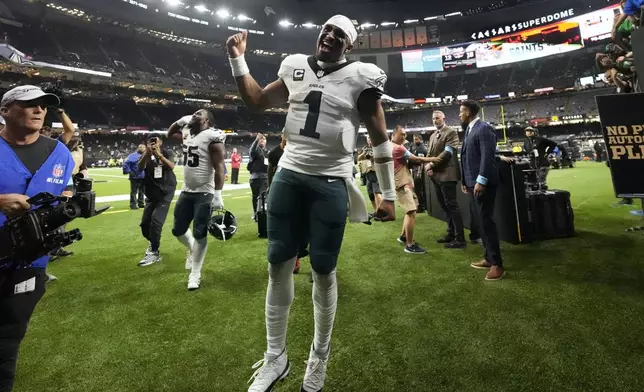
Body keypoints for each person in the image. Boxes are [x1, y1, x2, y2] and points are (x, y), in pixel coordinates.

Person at [226, 15, 396, 392]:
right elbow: (256, 101)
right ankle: (276, 358)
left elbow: (380, 139)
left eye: (340, 35)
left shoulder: (362, 77)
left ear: (349, 45)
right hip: (288, 175)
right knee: (277, 263)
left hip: (331, 181)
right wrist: (238, 59)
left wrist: (388, 194)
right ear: (319, 33)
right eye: (327, 30)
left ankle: (318, 357)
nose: (331, 37)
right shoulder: (295, 66)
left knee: (323, 269)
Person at [0, 85, 75, 392]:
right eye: (29, 104)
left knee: (9, 337)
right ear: (5, 111)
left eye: (43, 105)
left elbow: (64, 190)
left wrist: (68, 202)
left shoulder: (59, 152)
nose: (38, 109)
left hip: (31, 259)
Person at [167, 109, 226, 290]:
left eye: (199, 113)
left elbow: (219, 167)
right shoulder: (187, 132)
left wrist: (217, 194)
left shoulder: (212, 136)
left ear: (207, 120)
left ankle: (196, 272)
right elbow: (169, 134)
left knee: (200, 232)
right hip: (187, 190)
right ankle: (192, 248)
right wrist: (179, 120)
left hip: (205, 192)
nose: (194, 114)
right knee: (178, 230)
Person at [459, 100, 505, 281]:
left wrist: (481, 180)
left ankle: (497, 264)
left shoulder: (483, 128)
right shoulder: (470, 129)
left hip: (481, 183)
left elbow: (487, 156)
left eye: (461, 111)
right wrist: (465, 181)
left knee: (486, 222)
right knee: (480, 222)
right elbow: (466, 158)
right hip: (472, 183)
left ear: (469, 112)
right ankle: (488, 257)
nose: (460, 115)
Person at [391, 126, 437, 255]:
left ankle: (403, 236)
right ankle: (409, 245)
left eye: (405, 135)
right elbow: (417, 159)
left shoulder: (390, 146)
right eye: (402, 134)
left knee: (413, 209)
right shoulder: (398, 148)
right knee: (411, 211)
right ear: (394, 134)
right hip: (402, 183)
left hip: (402, 181)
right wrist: (435, 159)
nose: (404, 137)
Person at [426, 110, 466, 249]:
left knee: (452, 206)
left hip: (448, 175)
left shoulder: (451, 132)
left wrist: (432, 164)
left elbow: (448, 152)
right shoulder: (432, 136)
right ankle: (451, 234)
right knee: (445, 206)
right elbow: (430, 154)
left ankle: (460, 239)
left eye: (437, 118)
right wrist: (428, 165)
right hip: (436, 176)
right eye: (433, 118)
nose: (435, 120)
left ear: (444, 118)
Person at [136, 134, 177, 267]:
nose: (153, 143)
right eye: (150, 141)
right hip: (152, 194)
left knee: (156, 220)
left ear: (161, 142)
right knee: (144, 225)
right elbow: (140, 167)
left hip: (165, 192)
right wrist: (148, 154)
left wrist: (159, 155)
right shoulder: (146, 155)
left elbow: (171, 166)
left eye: (155, 141)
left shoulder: (167, 152)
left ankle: (154, 252)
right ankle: (153, 242)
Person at [357, 136, 383, 215]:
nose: (369, 140)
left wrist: (373, 156)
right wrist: (364, 153)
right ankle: (376, 211)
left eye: (370, 138)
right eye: (368, 139)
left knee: (377, 192)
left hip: (376, 172)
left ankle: (381, 211)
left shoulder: (378, 147)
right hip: (368, 172)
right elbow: (358, 158)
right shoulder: (365, 148)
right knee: (370, 193)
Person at [249, 133, 269, 221]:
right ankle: (257, 214)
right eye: (261, 139)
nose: (262, 141)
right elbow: (252, 150)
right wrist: (256, 140)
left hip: (264, 177)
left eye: (263, 139)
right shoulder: (256, 151)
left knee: (262, 196)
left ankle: (261, 214)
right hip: (255, 177)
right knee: (255, 197)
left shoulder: (267, 153)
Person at [123, 144, 146, 209]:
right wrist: (129, 171)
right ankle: (133, 204)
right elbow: (125, 163)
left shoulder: (146, 155)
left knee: (142, 191)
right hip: (135, 176)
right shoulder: (132, 156)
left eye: (144, 147)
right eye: (141, 147)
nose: (142, 148)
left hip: (143, 176)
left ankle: (141, 203)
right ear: (138, 148)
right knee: (134, 191)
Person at [409, 134, 428, 213]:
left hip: (419, 170)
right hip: (416, 170)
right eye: (414, 139)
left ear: (421, 139)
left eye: (416, 139)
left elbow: (420, 161)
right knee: (420, 189)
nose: (415, 141)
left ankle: (421, 206)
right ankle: (425, 205)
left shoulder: (422, 148)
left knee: (418, 189)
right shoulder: (415, 146)